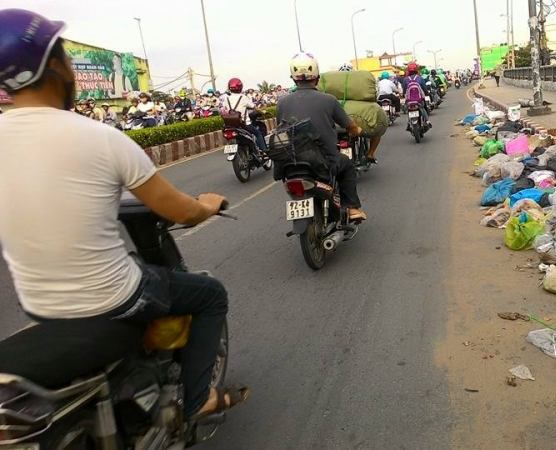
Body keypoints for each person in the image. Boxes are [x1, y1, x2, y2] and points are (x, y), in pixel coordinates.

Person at [0, 8, 247, 419]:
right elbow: (178, 212)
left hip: (40, 308)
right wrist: (205, 205)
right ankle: (200, 397)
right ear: (59, 66)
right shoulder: (100, 137)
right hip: (115, 298)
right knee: (209, 294)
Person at [278, 52, 367, 221]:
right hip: (323, 162)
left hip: (290, 164)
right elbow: (350, 126)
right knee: (347, 165)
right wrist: (357, 131)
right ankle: (352, 208)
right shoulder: (329, 100)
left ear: (293, 78)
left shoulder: (282, 102)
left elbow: (280, 130)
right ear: (317, 77)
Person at [221, 77, 267, 152]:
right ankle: (265, 152)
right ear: (240, 87)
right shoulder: (243, 97)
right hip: (244, 124)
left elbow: (224, 110)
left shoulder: (226, 99)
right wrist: (263, 111)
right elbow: (254, 107)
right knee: (258, 134)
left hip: (231, 125)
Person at [403, 62, 431, 128]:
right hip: (419, 99)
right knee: (424, 108)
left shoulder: (405, 79)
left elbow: (404, 90)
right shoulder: (419, 78)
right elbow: (424, 88)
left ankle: (409, 123)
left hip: (409, 100)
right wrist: (427, 93)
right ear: (416, 70)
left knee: (409, 110)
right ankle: (427, 121)